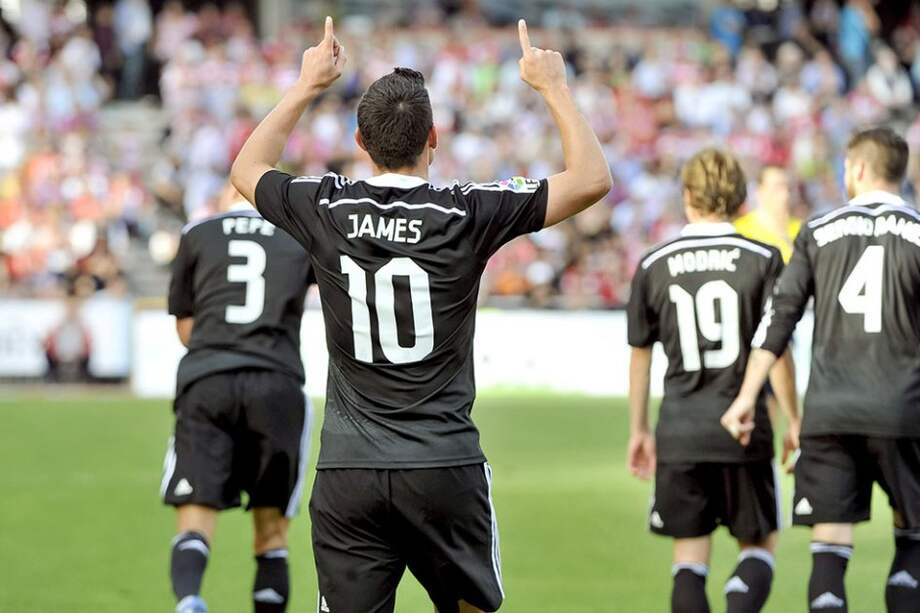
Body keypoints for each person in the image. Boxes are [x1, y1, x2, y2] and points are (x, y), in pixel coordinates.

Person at [230, 17, 611, 613]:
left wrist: (306, 85)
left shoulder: (325, 206)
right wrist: (552, 87)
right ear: (435, 136)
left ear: (361, 142)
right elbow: (591, 179)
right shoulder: (468, 212)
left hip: (349, 467)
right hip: (443, 463)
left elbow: (246, 170)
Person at [722, 127, 920, 613]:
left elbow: (778, 319)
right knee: (913, 539)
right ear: (901, 172)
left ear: (856, 169)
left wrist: (747, 396)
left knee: (829, 554)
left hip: (829, 414)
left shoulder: (817, 230)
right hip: (904, 409)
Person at [627, 149, 799, 613]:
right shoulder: (763, 258)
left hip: (680, 428)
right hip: (742, 426)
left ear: (687, 196)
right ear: (741, 197)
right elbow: (777, 348)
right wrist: (794, 421)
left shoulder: (653, 263)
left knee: (688, 559)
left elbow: (640, 356)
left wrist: (640, 430)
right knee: (760, 546)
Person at [161, 184, 315, 613]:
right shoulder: (297, 235)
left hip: (207, 380)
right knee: (271, 530)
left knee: (195, 511)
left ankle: (190, 598)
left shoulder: (197, 233)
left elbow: (186, 328)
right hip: (276, 383)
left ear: (228, 192)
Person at [735, 165, 801, 264]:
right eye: (778, 188)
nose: (786, 195)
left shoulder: (801, 229)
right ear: (759, 191)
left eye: (788, 188)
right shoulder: (741, 231)